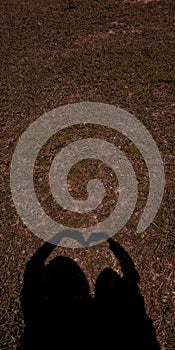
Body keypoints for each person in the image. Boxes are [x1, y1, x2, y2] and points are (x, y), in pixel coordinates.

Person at [19, 236, 160, 349]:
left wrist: (57, 238)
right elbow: (33, 267)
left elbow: (32, 267)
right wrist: (111, 242)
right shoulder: (130, 324)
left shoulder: (40, 321)